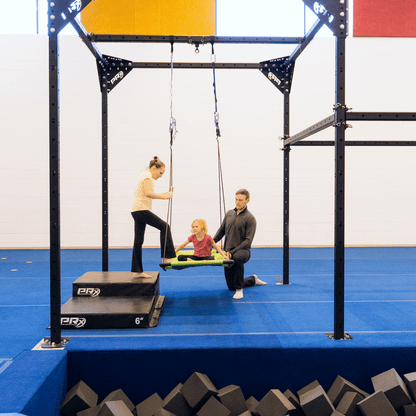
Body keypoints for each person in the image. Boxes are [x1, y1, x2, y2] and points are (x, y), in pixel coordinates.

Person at [213, 189, 267, 299]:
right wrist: (211, 243)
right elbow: (221, 231)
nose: (238, 202)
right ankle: (253, 279)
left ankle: (239, 290)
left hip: (243, 251)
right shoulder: (229, 213)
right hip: (228, 251)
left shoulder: (250, 218)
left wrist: (232, 253)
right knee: (230, 286)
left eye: (241, 200)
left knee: (237, 258)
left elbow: (248, 241)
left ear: (248, 200)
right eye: (236, 200)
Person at [131, 156, 176, 278]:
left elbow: (149, 194)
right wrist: (165, 197)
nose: (161, 175)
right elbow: (148, 193)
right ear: (153, 168)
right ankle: (167, 258)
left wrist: (166, 194)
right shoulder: (147, 176)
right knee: (165, 227)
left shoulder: (145, 175)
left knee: (138, 241)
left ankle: (137, 271)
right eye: (160, 172)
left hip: (137, 210)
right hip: (141, 210)